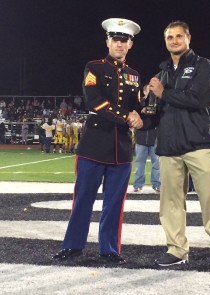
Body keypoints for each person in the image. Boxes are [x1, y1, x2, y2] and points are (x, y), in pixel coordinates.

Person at [53, 18, 143, 264]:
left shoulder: (134, 76)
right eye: (115, 39)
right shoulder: (94, 67)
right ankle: (73, 246)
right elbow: (96, 103)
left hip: (122, 149)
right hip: (94, 145)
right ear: (108, 41)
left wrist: (142, 115)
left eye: (124, 41)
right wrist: (128, 117)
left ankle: (110, 249)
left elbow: (138, 108)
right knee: (83, 200)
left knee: (114, 205)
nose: (119, 44)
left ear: (130, 44)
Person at [148, 21, 210, 269]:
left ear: (188, 38)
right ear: (165, 41)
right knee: (171, 202)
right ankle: (176, 249)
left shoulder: (205, 66)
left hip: (198, 143)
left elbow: (199, 98)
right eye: (169, 37)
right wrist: (141, 112)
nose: (174, 41)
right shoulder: (162, 72)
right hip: (168, 146)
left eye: (178, 36)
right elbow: (157, 112)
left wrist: (163, 93)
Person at [133, 84, 160, 193]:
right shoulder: (139, 104)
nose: (152, 92)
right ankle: (138, 185)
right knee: (140, 162)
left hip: (154, 138)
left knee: (157, 163)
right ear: (144, 92)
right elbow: (135, 117)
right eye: (149, 90)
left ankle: (157, 185)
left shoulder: (158, 103)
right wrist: (142, 111)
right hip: (141, 137)